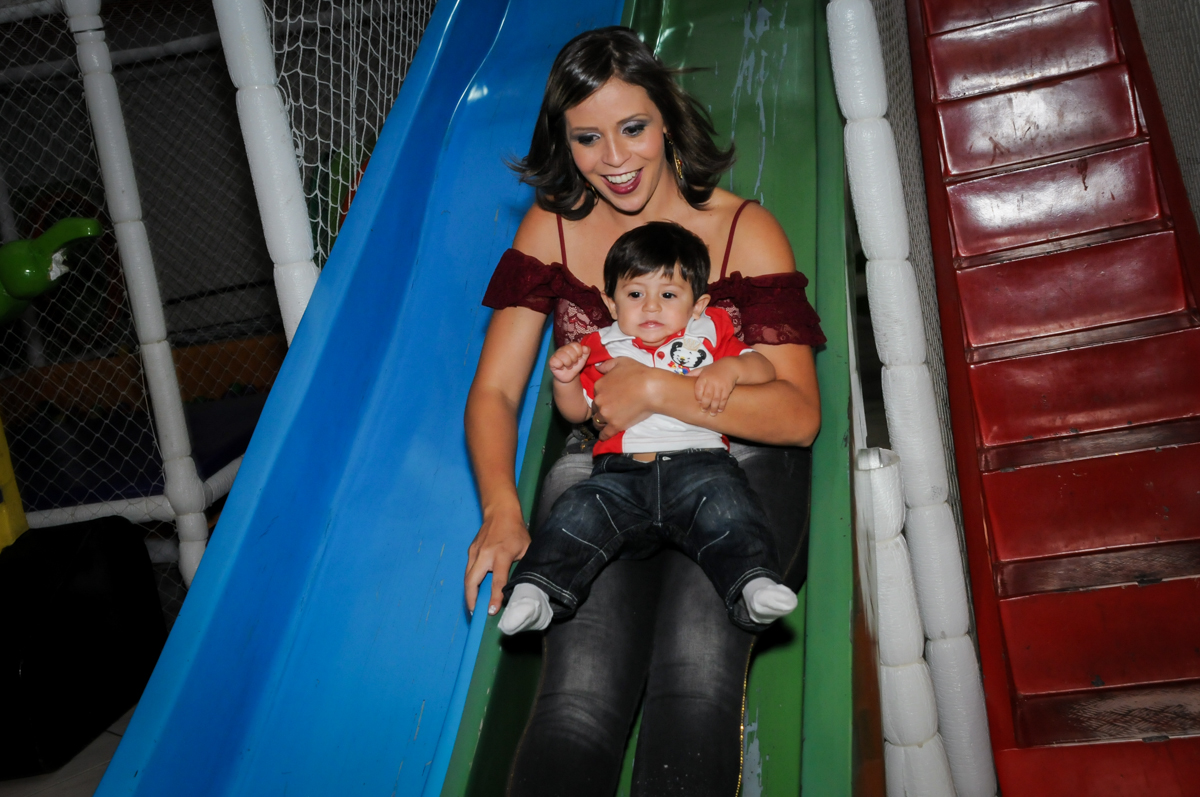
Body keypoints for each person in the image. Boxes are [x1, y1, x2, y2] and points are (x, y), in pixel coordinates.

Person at [463, 25, 824, 797]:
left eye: (632, 128)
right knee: (577, 699)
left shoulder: (740, 231)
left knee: (693, 676)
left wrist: (659, 389)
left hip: (735, 464)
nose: (616, 159)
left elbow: (797, 414)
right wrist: (500, 507)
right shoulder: (552, 230)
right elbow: (495, 389)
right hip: (606, 471)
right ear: (564, 142)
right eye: (588, 137)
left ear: (666, 118)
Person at [499, 221, 798, 636]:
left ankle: (754, 584)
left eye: (669, 294)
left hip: (700, 466)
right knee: (574, 514)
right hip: (620, 473)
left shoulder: (708, 333)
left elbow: (764, 368)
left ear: (697, 304)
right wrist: (566, 380)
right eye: (636, 294)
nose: (651, 307)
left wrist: (730, 368)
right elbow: (578, 414)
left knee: (731, 510)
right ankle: (536, 591)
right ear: (612, 302)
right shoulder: (599, 345)